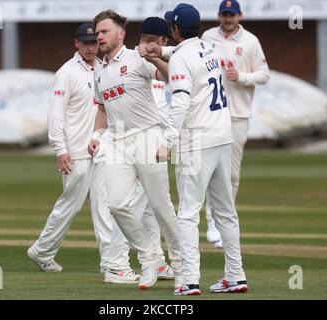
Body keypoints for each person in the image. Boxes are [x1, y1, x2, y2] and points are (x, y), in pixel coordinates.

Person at [143, 3, 248, 295]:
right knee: (226, 212)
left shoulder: (181, 58)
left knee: (188, 213)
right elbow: (183, 55)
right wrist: (158, 52)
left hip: (196, 141)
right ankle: (236, 276)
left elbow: (180, 103)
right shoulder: (210, 47)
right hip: (223, 137)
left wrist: (167, 142)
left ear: (175, 29)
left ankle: (189, 279)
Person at [88, 10, 182, 290]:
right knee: (116, 204)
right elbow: (102, 108)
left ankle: (182, 263)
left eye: (104, 31)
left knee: (161, 207)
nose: (99, 37)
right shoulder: (99, 69)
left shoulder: (135, 58)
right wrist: (96, 134)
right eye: (98, 32)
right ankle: (149, 255)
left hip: (147, 137)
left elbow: (169, 77)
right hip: (117, 142)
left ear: (121, 34)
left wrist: (153, 56)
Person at [26, 23, 119, 276]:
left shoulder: (104, 67)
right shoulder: (66, 72)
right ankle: (42, 251)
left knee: (105, 207)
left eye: (94, 42)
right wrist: (60, 149)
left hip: (100, 148)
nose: (91, 47)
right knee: (70, 205)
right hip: (75, 152)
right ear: (76, 43)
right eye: (85, 43)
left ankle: (110, 263)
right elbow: (55, 115)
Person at [201, 0, 270, 248]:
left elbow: (264, 74)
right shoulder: (208, 37)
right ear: (219, 15)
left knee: (231, 173)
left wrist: (240, 77)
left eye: (232, 14)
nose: (228, 19)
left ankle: (222, 223)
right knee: (209, 169)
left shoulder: (250, 41)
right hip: (212, 113)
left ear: (239, 15)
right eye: (224, 14)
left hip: (238, 114)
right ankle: (211, 223)